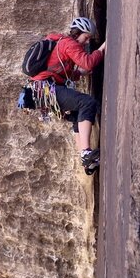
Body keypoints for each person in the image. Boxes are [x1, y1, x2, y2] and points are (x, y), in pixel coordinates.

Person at [30, 17, 106, 173]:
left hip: (40, 91)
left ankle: (87, 161)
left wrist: (79, 74)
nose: (86, 42)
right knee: (87, 103)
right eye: (86, 37)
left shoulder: (61, 44)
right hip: (45, 89)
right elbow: (88, 62)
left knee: (77, 113)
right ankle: (86, 153)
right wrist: (103, 48)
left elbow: (61, 70)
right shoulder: (69, 43)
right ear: (78, 33)